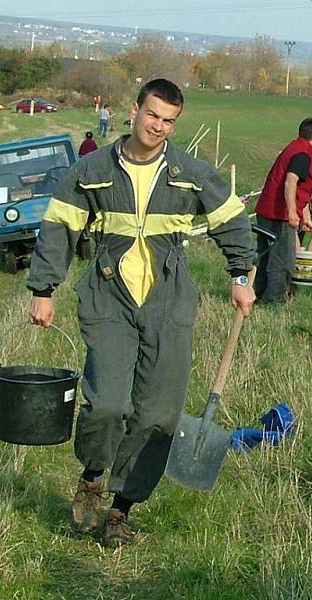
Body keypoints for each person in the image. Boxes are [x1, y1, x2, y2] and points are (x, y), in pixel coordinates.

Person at [26, 78, 256, 547]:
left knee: (159, 416)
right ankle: (92, 476)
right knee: (109, 402)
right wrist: (43, 289)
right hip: (109, 297)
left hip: (168, 301)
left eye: (169, 121)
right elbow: (58, 228)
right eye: (152, 115)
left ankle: (121, 509)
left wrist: (239, 276)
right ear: (134, 111)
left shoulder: (189, 171)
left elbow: (232, 219)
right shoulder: (91, 168)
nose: (159, 127)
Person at [254, 117, 312, 303]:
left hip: (266, 210)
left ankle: (256, 295)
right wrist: (292, 212)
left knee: (264, 257)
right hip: (279, 215)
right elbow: (291, 182)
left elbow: (300, 189)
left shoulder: (292, 148)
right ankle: (274, 303)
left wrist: (305, 215)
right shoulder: (303, 154)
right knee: (282, 261)